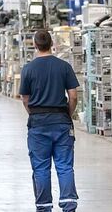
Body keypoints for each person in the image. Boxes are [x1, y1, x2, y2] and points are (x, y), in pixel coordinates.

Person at [20, 30, 79, 212]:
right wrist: (67, 115)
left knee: (41, 167)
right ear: (51, 43)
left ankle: (44, 206)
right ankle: (69, 205)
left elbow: (24, 98)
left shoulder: (28, 69)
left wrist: (34, 114)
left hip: (38, 124)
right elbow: (74, 96)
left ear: (35, 45)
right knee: (64, 166)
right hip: (61, 122)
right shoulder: (64, 66)